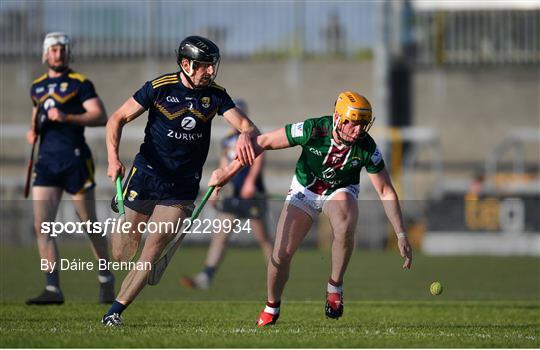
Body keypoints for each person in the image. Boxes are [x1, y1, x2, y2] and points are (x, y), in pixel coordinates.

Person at [207, 91, 413, 326]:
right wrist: (227, 172)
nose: (358, 131)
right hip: (304, 191)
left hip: (339, 191)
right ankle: (272, 305)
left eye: (363, 125)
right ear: (338, 118)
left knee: (346, 216)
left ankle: (334, 286)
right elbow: (262, 142)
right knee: (280, 255)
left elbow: (385, 190)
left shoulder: (367, 147)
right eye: (354, 124)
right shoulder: (313, 129)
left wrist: (401, 234)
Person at [102, 36, 259, 326]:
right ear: (186, 64)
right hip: (146, 175)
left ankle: (114, 312)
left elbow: (248, 127)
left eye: (212, 66)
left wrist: (240, 146)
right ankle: (124, 213)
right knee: (123, 253)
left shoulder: (216, 95)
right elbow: (117, 118)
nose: (210, 72)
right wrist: (113, 159)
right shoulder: (159, 88)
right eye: (204, 66)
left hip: (182, 185)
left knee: (154, 247)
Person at [26, 32, 114, 305]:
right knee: (43, 226)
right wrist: (33, 132)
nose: (58, 53)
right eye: (53, 49)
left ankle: (105, 277)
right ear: (45, 54)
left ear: (68, 53)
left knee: (88, 223)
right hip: (47, 162)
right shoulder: (37, 87)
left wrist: (67, 116)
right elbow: (36, 116)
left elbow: (100, 116)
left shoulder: (80, 84)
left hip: (75, 160)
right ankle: (53, 288)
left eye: (62, 49)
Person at [180, 99, 272, 290]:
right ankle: (206, 276)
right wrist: (215, 190)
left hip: (251, 194)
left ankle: (276, 274)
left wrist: (249, 183)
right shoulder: (227, 140)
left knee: (263, 238)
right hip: (232, 195)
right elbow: (223, 166)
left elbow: (259, 157)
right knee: (220, 236)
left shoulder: (252, 135)